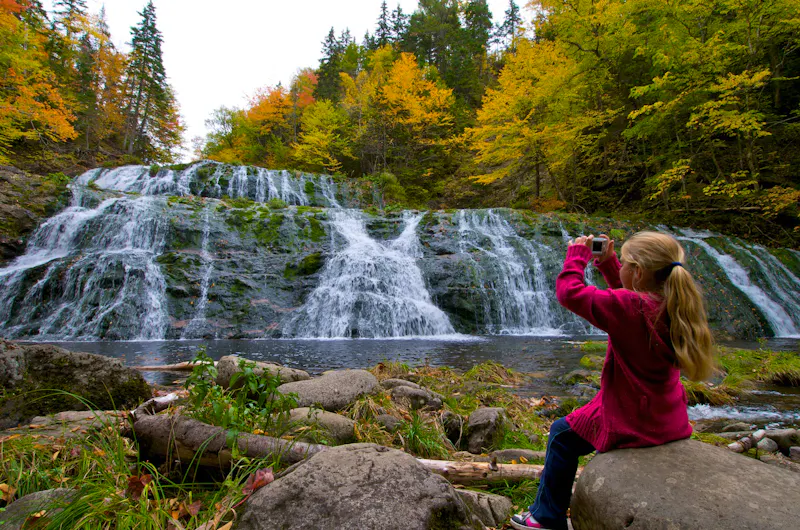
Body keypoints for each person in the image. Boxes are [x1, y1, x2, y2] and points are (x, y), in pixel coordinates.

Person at [510, 231, 716, 530]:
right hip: (666, 415)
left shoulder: (630, 308)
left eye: (624, 264)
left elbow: (570, 293)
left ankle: (545, 516)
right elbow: (630, 301)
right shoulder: (674, 305)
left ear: (639, 272)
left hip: (631, 417)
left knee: (561, 435)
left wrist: (577, 258)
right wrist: (608, 264)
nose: (620, 268)